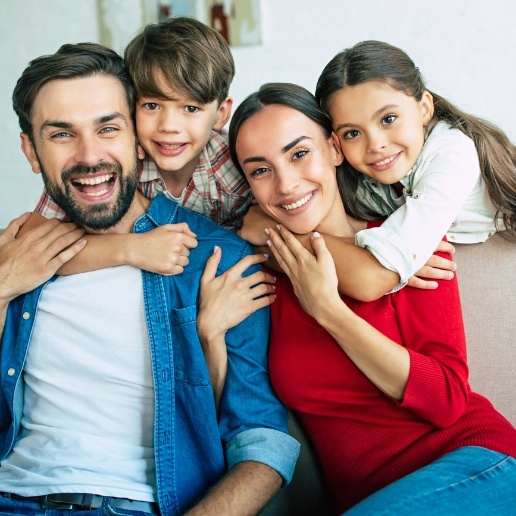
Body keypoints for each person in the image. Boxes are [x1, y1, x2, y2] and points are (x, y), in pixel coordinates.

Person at [0, 44, 299, 516]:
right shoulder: (19, 258)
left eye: (107, 128)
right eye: (61, 134)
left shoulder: (219, 260)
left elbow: (261, 442)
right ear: (30, 151)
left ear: (137, 139)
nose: (89, 155)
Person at [206, 82, 516, 514]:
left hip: (477, 465)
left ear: (334, 149)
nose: (287, 183)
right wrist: (209, 335)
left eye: (299, 154)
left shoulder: (404, 245)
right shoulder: (262, 272)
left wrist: (330, 311)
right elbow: (232, 417)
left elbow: (447, 400)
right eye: (261, 170)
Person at [19, 16, 253, 276]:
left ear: (221, 114)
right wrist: (130, 248)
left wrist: (259, 223)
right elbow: (32, 247)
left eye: (190, 108)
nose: (168, 126)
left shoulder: (234, 164)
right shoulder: (111, 164)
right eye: (152, 106)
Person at [314, 39, 516, 291]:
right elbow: (342, 223)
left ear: (424, 108)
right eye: (352, 133)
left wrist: (398, 260)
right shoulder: (364, 172)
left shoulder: (452, 155)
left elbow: (374, 275)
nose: (375, 145)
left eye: (388, 119)